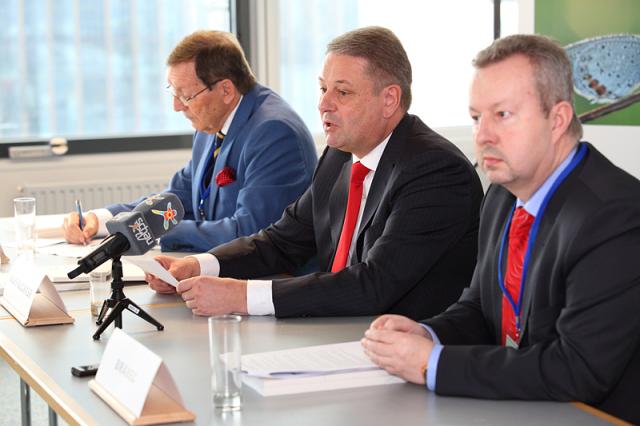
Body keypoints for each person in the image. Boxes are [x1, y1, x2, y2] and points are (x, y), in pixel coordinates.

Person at [361, 34, 640, 424]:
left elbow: (577, 370)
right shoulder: (502, 196)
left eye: (503, 115)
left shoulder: (615, 215)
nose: (483, 135)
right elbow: (480, 308)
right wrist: (428, 335)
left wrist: (433, 364)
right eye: (477, 118)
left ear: (557, 120)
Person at [146, 26, 483, 320]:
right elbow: (281, 241)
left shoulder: (435, 171)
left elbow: (373, 285)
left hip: (409, 352)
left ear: (389, 99)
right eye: (323, 89)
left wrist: (241, 296)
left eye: (343, 92)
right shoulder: (339, 156)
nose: (324, 104)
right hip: (342, 330)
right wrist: (201, 265)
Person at [62, 30, 317, 252]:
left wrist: (151, 231)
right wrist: (103, 220)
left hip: (276, 281)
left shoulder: (273, 133)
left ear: (226, 90)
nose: (176, 106)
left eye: (185, 96)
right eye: (174, 93)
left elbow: (250, 232)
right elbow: (180, 197)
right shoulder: (213, 119)